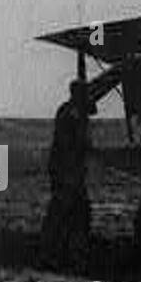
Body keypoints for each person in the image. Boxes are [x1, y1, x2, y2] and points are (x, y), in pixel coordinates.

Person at [41, 79, 95, 267]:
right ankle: (57, 252)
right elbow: (71, 143)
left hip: (67, 170)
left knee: (71, 210)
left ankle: (61, 252)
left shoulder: (68, 110)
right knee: (67, 210)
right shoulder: (70, 113)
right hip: (66, 170)